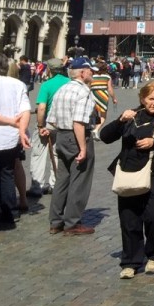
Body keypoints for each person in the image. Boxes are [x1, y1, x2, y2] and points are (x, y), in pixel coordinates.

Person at [100, 81, 154, 279]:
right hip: (129, 173)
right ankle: (130, 262)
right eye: (151, 99)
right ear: (142, 99)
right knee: (129, 219)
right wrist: (120, 120)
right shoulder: (131, 116)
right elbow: (105, 136)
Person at [46, 57, 98, 235]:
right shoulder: (83, 92)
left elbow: (52, 120)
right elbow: (78, 122)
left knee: (62, 179)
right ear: (82, 73)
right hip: (77, 137)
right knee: (80, 180)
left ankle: (56, 221)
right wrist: (82, 148)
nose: (92, 73)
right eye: (90, 71)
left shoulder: (62, 89)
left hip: (61, 135)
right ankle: (72, 223)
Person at [0, 53, 32, 228]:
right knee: (7, 173)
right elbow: (25, 110)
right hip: (11, 138)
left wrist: (11, 122)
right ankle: (8, 212)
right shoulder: (18, 84)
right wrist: (21, 130)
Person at [30, 58, 67, 197]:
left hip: (48, 123)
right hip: (63, 124)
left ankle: (37, 186)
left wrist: (40, 125)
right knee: (57, 154)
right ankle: (54, 184)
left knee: (39, 154)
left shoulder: (47, 85)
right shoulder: (69, 82)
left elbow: (42, 108)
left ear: (49, 69)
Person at [89, 61, 117, 140]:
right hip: (103, 97)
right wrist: (114, 98)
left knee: (92, 114)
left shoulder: (92, 76)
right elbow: (110, 89)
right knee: (103, 116)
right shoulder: (107, 77)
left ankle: (92, 128)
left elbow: (88, 87)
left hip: (92, 96)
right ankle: (96, 129)